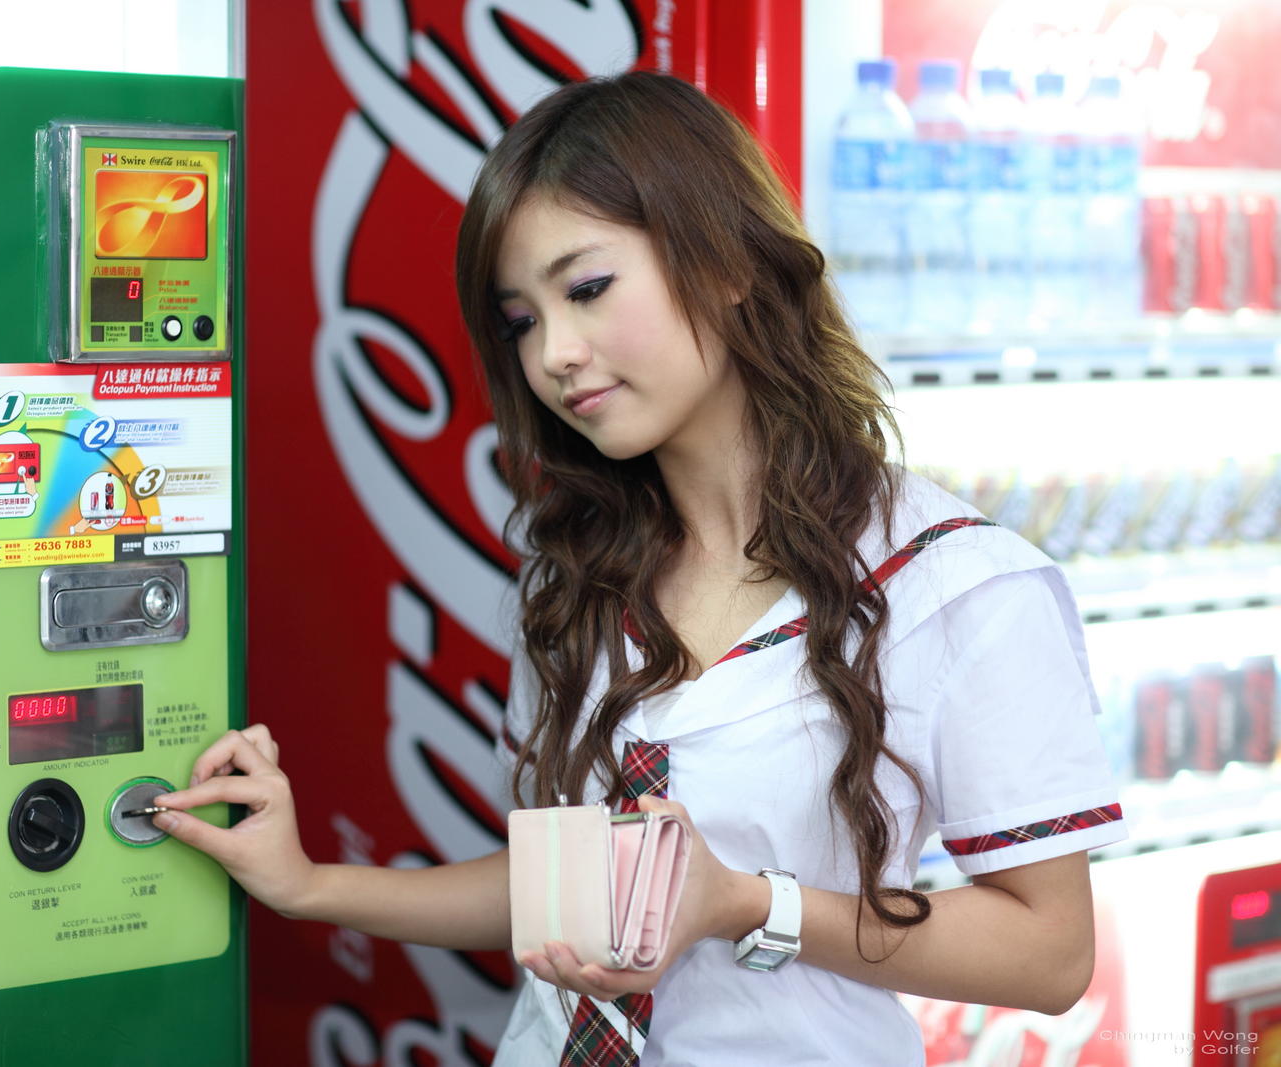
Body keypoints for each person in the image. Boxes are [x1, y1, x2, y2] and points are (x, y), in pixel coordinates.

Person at [151, 70, 1128, 1065]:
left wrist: (748, 903)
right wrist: (309, 882)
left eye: (586, 289)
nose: (553, 355)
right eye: (521, 321)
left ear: (726, 260)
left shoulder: (957, 585)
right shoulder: (575, 571)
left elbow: (1049, 951)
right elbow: (568, 883)